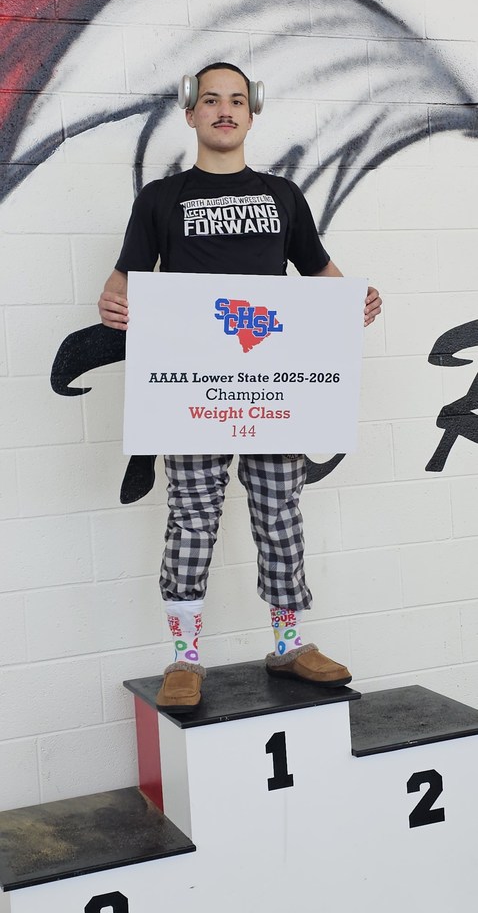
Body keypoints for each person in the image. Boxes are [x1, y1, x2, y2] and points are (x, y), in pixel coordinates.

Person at [98, 62, 382, 712]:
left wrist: (355, 303)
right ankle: (184, 657)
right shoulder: (159, 201)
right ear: (189, 112)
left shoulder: (284, 196)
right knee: (192, 521)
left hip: (271, 392)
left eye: (235, 100)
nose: (223, 110)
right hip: (193, 396)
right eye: (210, 100)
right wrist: (113, 306)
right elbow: (121, 286)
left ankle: (288, 643)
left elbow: (324, 277)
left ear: (253, 111)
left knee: (279, 515)